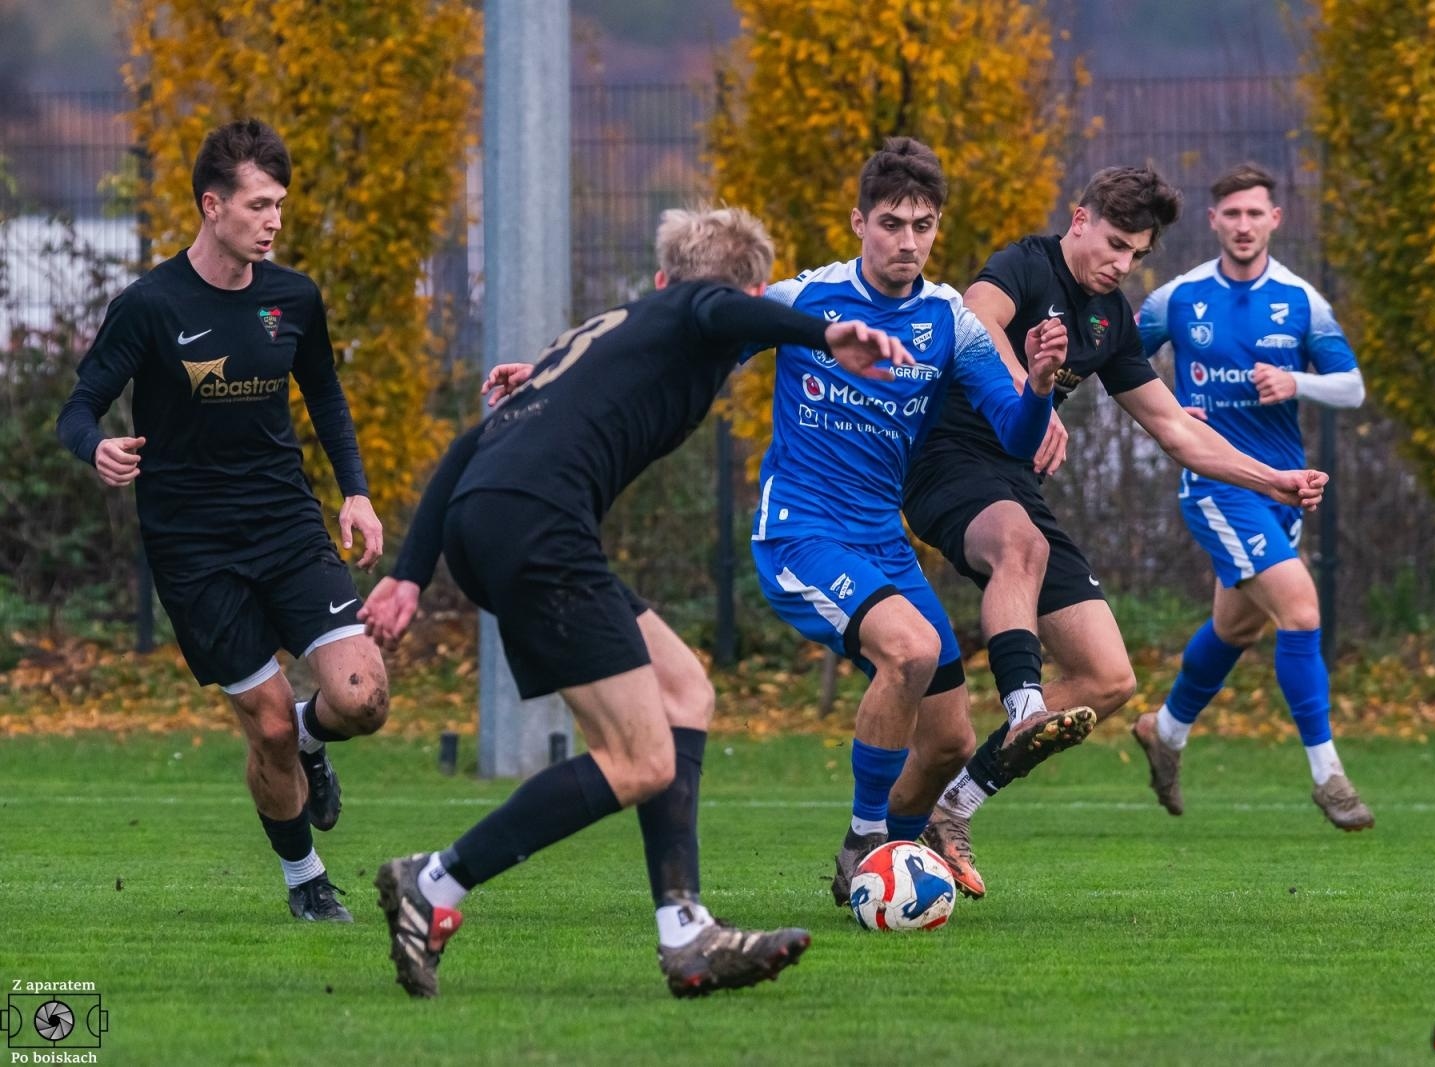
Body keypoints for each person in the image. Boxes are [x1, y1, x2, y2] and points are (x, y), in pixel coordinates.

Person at [359, 205, 913, 999]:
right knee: (641, 759)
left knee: (685, 689)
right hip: (538, 523)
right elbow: (717, 306)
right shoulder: (699, 310)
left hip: (492, 517)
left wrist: (411, 572)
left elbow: (466, 444)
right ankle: (436, 881)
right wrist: (822, 333)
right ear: (746, 289)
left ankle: (683, 929)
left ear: (657, 278)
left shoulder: (609, 328)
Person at [902, 166, 1331, 898]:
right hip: (945, 461)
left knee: (1110, 678)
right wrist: (1025, 391)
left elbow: (1173, 428)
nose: (1121, 263)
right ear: (1079, 218)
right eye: (1113, 244)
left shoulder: (1111, 318)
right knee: (1021, 545)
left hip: (1011, 483)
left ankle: (949, 810)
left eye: (1135, 253)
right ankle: (1023, 705)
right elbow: (972, 316)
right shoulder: (1025, 263)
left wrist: (1274, 479)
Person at [56, 118, 389, 922]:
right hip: (195, 549)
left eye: (280, 205)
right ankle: (306, 880)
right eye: (260, 205)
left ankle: (317, 736)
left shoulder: (294, 297)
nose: (274, 220)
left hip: (286, 525)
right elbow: (78, 407)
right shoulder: (150, 306)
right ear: (213, 206)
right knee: (266, 728)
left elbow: (327, 395)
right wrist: (96, 448)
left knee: (363, 697)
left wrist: (356, 489)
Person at [744, 137, 1068, 909]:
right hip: (801, 534)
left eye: (923, 225)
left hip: (882, 544)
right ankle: (865, 843)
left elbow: (1016, 436)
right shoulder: (806, 298)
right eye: (891, 222)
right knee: (913, 648)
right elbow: (690, 334)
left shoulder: (948, 320)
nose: (907, 241)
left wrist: (1042, 385)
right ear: (859, 222)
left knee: (952, 740)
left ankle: (885, 867)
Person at [1134, 163, 1373, 831]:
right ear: (1213, 221)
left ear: (1276, 219)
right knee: (1299, 608)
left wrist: (1297, 382)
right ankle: (1329, 776)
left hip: (1284, 490)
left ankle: (1166, 731)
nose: (1243, 225)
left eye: (1254, 214)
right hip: (1216, 486)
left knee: (1236, 627)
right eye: (1230, 214)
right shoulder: (1176, 299)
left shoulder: (1301, 300)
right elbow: (1117, 361)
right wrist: (1169, 409)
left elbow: (1351, 386)